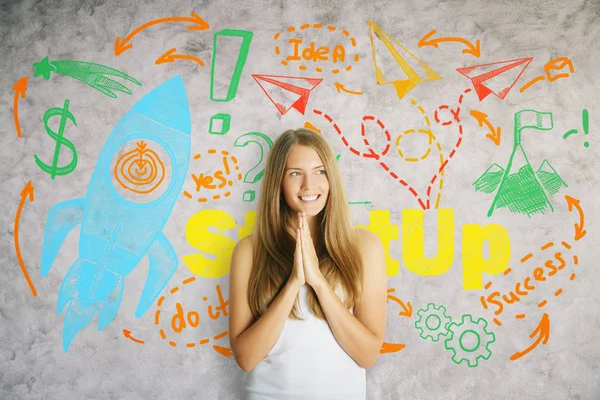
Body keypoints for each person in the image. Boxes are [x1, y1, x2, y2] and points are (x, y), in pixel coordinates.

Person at [228, 128, 387, 399]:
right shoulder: (249, 251)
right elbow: (246, 358)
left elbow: (368, 355)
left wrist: (318, 282)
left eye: (320, 171)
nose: (308, 185)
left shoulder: (365, 246)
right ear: (278, 182)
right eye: (295, 173)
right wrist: (293, 283)